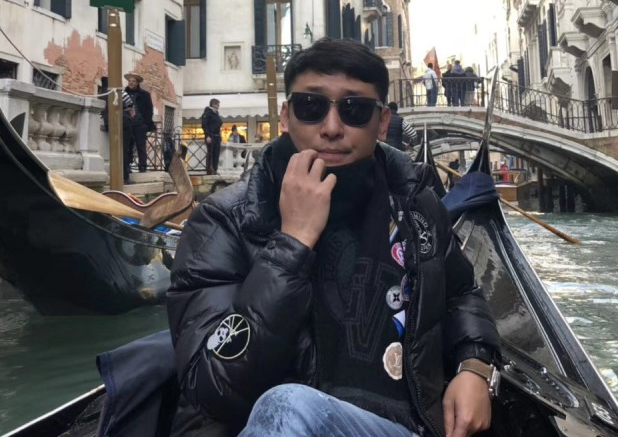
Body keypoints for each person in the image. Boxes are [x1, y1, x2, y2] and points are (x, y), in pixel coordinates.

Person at [168, 38, 501, 437]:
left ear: (382, 122)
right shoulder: (223, 221)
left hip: (402, 427)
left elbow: (462, 293)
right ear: (286, 116)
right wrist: (292, 244)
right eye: (311, 107)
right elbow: (212, 389)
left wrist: (475, 366)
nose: (330, 128)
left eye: (354, 110)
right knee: (287, 407)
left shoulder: (416, 204)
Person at [123, 72, 155, 176]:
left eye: (133, 81)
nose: (131, 83)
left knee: (141, 146)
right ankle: (127, 166)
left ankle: (142, 166)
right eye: (129, 81)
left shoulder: (145, 95)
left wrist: (146, 123)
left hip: (140, 124)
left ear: (137, 83)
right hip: (128, 123)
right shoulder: (123, 93)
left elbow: (149, 110)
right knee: (127, 146)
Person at [201, 99, 223, 175]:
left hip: (217, 136)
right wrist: (207, 135)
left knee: (216, 153)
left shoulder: (216, 113)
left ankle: (215, 169)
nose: (219, 106)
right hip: (211, 136)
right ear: (213, 104)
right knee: (210, 153)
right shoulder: (207, 113)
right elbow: (204, 125)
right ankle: (209, 170)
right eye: (218, 104)